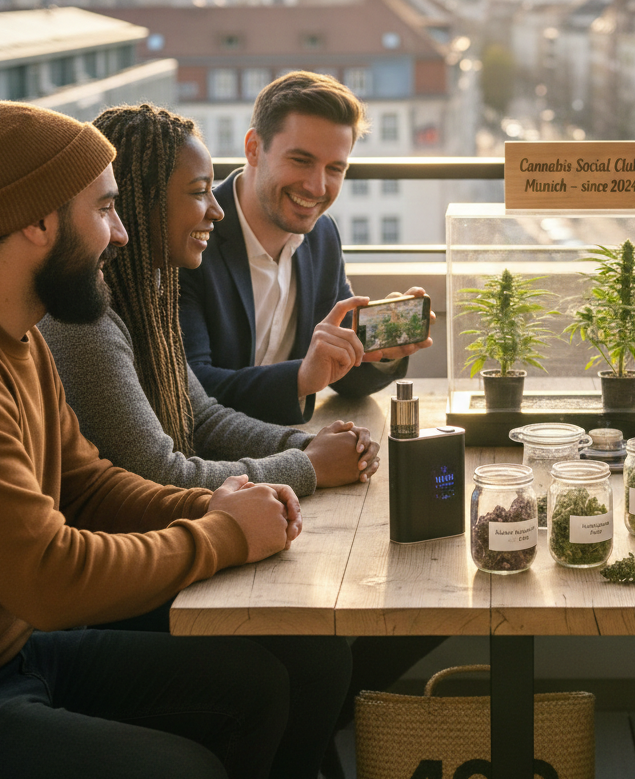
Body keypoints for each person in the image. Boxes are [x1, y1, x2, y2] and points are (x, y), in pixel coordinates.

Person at [0, 101, 351, 779]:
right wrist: (222, 538)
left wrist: (222, 505)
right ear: (37, 222)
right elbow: (45, 574)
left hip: (13, 655)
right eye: (106, 210)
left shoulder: (17, 339)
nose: (119, 233)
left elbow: (90, 482)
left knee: (261, 689)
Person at [41, 103, 381, 494]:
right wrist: (309, 465)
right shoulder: (84, 324)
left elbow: (202, 419)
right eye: (200, 192)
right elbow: (161, 474)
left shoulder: (147, 298)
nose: (216, 211)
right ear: (143, 203)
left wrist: (309, 444)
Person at [179, 70, 432, 426]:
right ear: (253, 148)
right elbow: (191, 389)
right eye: (301, 160)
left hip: (286, 445)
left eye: (335, 168)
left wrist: (378, 354)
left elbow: (333, 372)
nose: (317, 186)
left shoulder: (322, 235)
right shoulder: (192, 238)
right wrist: (299, 379)